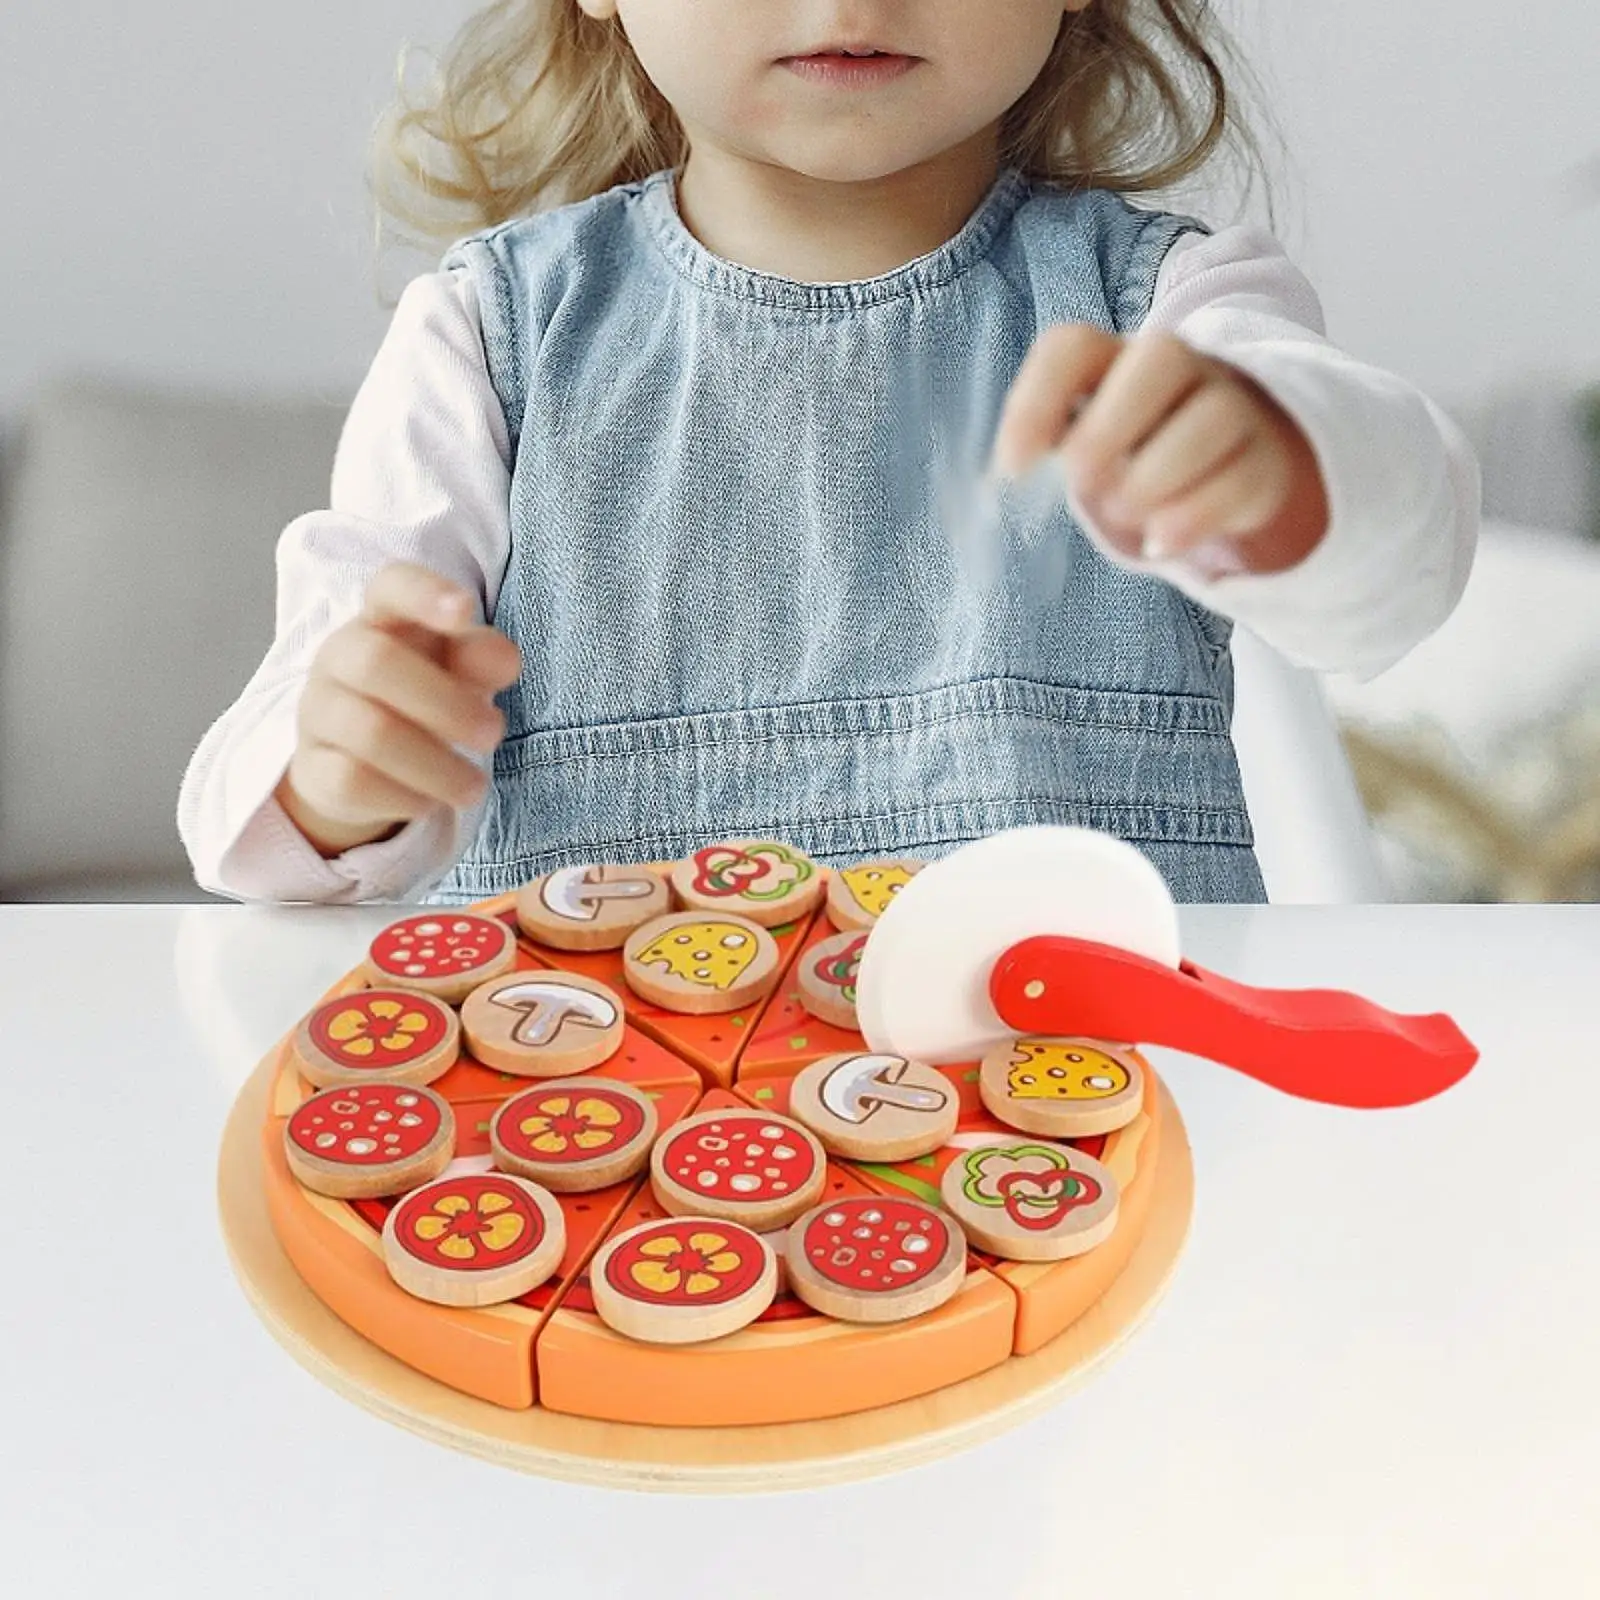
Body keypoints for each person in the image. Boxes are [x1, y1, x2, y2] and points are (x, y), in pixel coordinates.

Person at [178, 0, 1479, 907]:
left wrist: (1285, 473)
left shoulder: (1175, 313)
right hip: (618, 1207)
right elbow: (267, 786)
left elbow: (1401, 565)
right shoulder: (484, 338)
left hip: (1084, 1176)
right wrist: (332, 778)